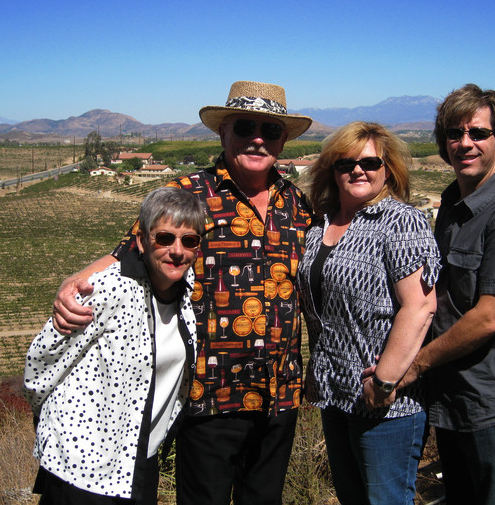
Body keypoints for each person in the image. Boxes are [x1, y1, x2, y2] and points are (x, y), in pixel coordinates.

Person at [51, 81, 313, 505]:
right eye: (246, 127)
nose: (258, 139)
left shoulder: (298, 205)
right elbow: (128, 253)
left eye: (271, 130)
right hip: (210, 396)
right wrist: (75, 281)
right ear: (223, 133)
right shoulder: (187, 194)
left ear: (283, 141)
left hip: (280, 395)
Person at [369, 84, 495, 505]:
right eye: (454, 134)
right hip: (455, 395)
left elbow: (491, 316)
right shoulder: (454, 206)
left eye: (478, 133)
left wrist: (413, 365)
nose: (464, 143)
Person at [23, 186, 205, 504]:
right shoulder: (108, 290)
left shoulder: (185, 293)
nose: (178, 250)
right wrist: (51, 425)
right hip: (82, 467)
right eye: (164, 238)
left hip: (138, 462)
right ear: (140, 241)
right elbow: (41, 362)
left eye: (189, 240)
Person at [295, 122, 440, 505]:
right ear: (332, 170)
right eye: (345, 164)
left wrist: (386, 381)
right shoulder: (320, 225)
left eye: (370, 162)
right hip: (335, 395)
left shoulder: (400, 221)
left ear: (387, 169)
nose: (357, 171)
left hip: (384, 403)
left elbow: (421, 305)